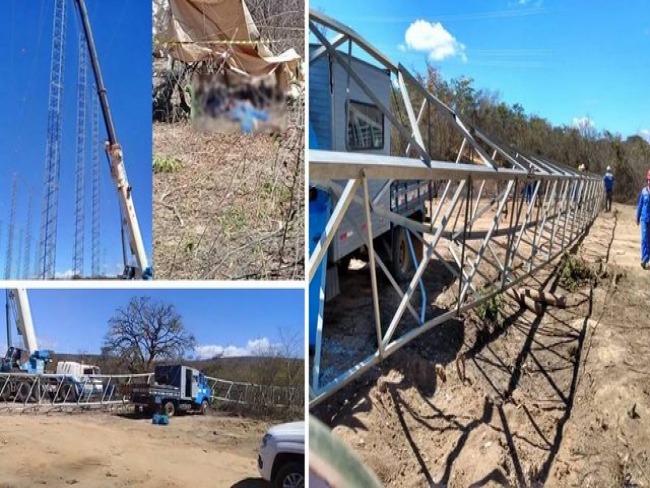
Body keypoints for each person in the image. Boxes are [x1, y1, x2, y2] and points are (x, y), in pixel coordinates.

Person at [636, 170, 650, 269]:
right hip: (644, 219)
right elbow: (640, 205)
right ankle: (644, 259)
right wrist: (637, 218)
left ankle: (646, 258)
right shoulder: (644, 191)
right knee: (644, 239)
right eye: (649, 180)